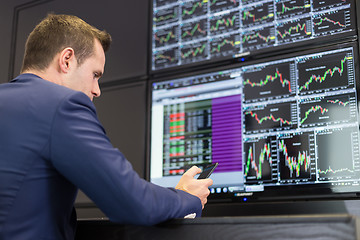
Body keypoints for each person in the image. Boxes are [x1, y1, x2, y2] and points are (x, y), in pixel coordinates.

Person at [0, 14, 213, 239]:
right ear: (67, 60)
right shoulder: (62, 105)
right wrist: (186, 197)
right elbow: (133, 203)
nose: (97, 90)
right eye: (95, 75)